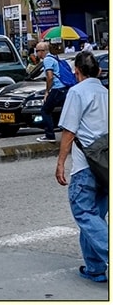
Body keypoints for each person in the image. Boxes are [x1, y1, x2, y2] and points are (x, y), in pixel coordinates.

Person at [55, 50, 108, 283]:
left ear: (77, 72)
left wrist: (60, 163)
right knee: (95, 215)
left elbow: (69, 131)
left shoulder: (77, 92)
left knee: (84, 212)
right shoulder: (105, 92)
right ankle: (95, 268)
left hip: (86, 165)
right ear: (97, 71)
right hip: (106, 164)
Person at [37, 40, 66, 141]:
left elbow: (50, 77)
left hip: (56, 88)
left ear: (42, 51)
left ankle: (49, 135)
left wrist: (47, 91)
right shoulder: (54, 57)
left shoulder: (47, 60)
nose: (36, 53)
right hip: (63, 88)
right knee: (65, 111)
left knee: (45, 110)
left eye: (37, 51)